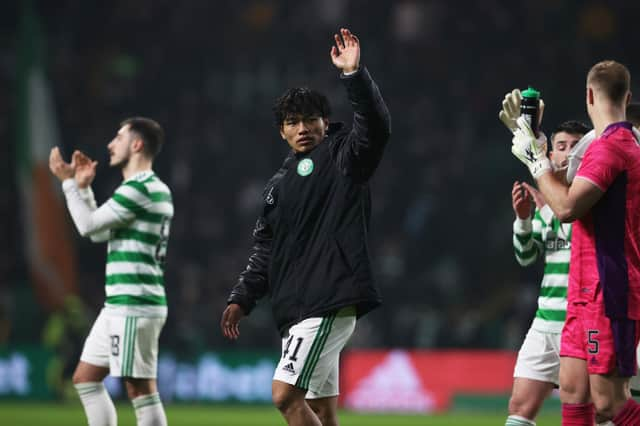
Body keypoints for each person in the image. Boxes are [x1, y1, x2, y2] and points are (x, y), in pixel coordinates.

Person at [220, 28, 391, 426]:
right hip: (297, 308)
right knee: (320, 410)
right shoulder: (277, 186)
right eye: (293, 122)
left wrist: (355, 75)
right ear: (282, 131)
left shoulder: (343, 157)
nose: (302, 128)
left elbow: (377, 128)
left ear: (325, 121)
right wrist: (241, 298)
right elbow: (266, 249)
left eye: (310, 119)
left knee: (284, 396)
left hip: (327, 299)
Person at [510, 60, 640, 425]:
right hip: (580, 289)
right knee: (571, 390)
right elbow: (567, 195)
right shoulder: (600, 148)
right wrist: (536, 145)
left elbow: (566, 207)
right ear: (627, 96)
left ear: (588, 95)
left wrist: (536, 160)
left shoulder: (612, 147)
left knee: (610, 403)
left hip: (607, 288)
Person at [49, 117, 173, 426]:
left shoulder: (141, 187)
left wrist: (67, 183)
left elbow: (88, 225)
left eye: (118, 137)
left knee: (140, 389)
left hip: (135, 303)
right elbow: (98, 232)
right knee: (85, 379)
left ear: (137, 144)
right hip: (120, 305)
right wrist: (84, 189)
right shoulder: (139, 188)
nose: (110, 144)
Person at [506, 121, 589, 426]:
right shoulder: (546, 208)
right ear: (551, 155)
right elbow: (526, 257)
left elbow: (574, 224)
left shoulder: (594, 195)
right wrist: (524, 220)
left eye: (575, 146)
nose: (568, 153)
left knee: (589, 407)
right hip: (545, 322)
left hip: (584, 323)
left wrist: (547, 194)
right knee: (519, 406)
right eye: (562, 146)